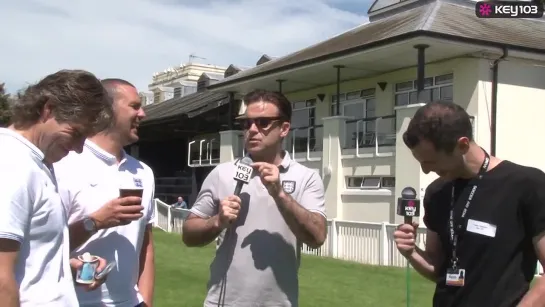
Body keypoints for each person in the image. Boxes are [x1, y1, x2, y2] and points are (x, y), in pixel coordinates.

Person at [182, 89, 327, 307]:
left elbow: (317, 237)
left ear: (284, 129)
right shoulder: (222, 173)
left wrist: (279, 193)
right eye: (246, 123)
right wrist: (217, 222)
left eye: (263, 122)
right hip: (223, 302)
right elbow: (188, 234)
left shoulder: (307, 177)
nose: (252, 129)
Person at [393, 101, 545, 307]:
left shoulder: (526, 185)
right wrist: (412, 253)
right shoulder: (437, 193)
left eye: (431, 161)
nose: (426, 171)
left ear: (462, 145)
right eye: (421, 162)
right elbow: (438, 270)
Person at [0, 70, 112, 306]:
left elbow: (25, 265)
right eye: (76, 133)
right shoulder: (12, 163)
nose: (80, 148)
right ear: (48, 109)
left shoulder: (36, 163)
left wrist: (63, 268)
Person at [55, 78, 156, 307]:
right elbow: (42, 246)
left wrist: (145, 301)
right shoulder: (65, 163)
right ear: (107, 110)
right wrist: (95, 222)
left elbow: (146, 246)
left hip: (131, 302)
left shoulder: (143, 172)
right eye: (134, 106)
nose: (143, 114)